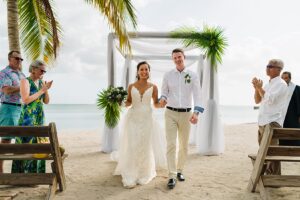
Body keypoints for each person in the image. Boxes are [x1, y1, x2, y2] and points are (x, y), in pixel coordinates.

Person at [113, 61, 166, 188]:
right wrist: (119, 102)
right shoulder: (131, 86)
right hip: (133, 119)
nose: (144, 71)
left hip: (147, 119)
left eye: (146, 69)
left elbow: (156, 104)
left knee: (145, 145)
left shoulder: (153, 87)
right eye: (141, 69)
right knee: (133, 144)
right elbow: (129, 102)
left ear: (149, 71)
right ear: (137, 71)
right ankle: (131, 172)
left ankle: (144, 172)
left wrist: (162, 104)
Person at [159, 48, 204, 189]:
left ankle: (180, 170)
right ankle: (171, 175)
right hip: (170, 113)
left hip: (186, 114)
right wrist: (163, 99)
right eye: (175, 58)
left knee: (184, 145)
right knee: (171, 144)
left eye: (179, 57)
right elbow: (164, 92)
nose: (177, 59)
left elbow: (198, 95)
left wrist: (196, 113)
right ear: (173, 59)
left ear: (184, 57)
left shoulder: (192, 75)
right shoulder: (168, 75)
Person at [11, 60, 53, 173]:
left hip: (39, 117)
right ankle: (23, 176)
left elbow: (46, 101)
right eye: (41, 70)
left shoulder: (40, 83)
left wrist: (46, 90)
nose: (43, 73)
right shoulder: (25, 81)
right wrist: (42, 90)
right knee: (26, 146)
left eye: (45, 71)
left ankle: (36, 175)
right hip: (28, 118)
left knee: (38, 145)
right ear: (33, 69)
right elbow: (26, 100)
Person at [252, 59, 288, 175]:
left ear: (278, 70)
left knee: (272, 152)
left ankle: (274, 178)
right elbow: (257, 100)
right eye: (267, 66)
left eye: (270, 66)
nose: (267, 68)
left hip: (272, 122)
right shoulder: (268, 84)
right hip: (262, 122)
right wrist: (256, 88)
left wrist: (259, 88)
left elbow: (271, 100)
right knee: (264, 152)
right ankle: (267, 176)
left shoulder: (281, 84)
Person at [0, 50, 25, 173]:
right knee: (6, 139)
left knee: (21, 139)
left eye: (21, 59)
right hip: (9, 108)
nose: (19, 61)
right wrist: (22, 87)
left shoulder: (21, 75)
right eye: (16, 58)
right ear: (9, 59)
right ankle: (0, 172)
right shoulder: (4, 73)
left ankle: (19, 172)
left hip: (21, 108)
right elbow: (6, 90)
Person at [280, 71, 300, 146]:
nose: (284, 79)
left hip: (293, 115)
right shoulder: (279, 88)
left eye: (286, 78)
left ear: (290, 78)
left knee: (294, 133)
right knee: (282, 133)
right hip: (281, 116)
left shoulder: (296, 88)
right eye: (282, 78)